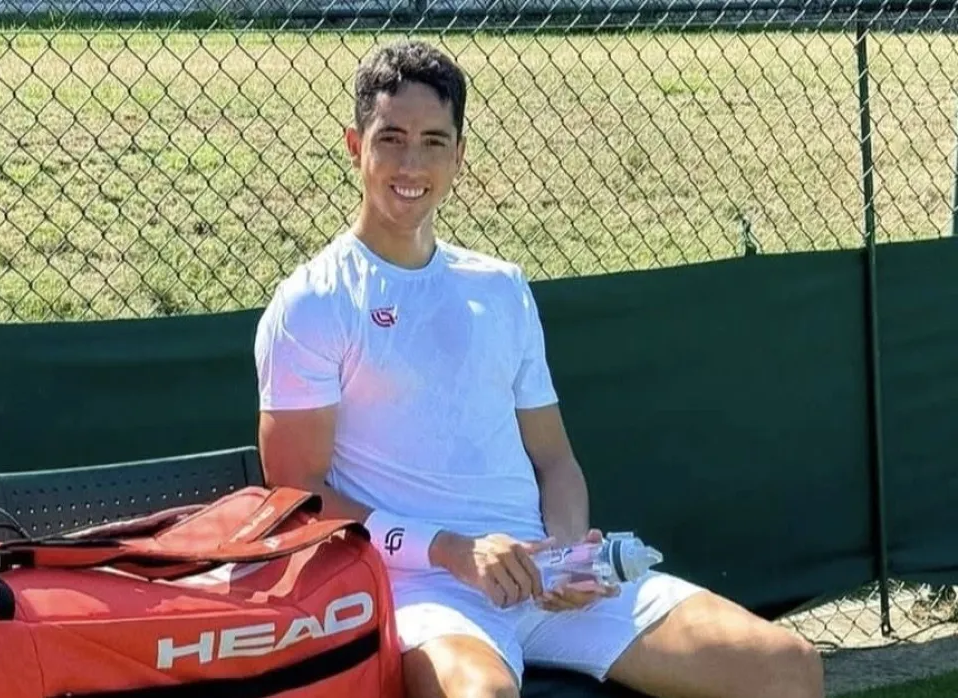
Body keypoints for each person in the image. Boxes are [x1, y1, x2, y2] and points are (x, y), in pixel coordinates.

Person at [254, 38, 825, 698]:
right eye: (392, 138)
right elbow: (300, 493)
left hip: (542, 578)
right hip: (424, 590)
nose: (411, 162)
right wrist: (450, 550)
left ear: (460, 157)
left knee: (786, 667)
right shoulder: (314, 300)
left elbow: (555, 460)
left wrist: (566, 556)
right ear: (356, 146)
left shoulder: (500, 287)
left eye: (434, 141)